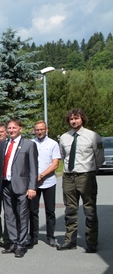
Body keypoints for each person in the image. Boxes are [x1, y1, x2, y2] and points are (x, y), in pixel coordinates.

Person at [0, 119, 38, 258]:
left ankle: (21, 244)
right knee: (9, 215)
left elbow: (34, 169)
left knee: (22, 216)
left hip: (22, 186)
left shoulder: (29, 145)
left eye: (14, 128)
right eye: (9, 128)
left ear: (20, 129)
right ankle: (14, 242)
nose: (11, 130)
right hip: (6, 185)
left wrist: (32, 187)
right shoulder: (4, 144)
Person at [57, 108, 104, 252]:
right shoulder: (64, 137)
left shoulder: (93, 136)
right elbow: (63, 155)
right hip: (69, 177)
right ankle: (69, 240)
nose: (73, 121)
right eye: (71, 119)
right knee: (70, 210)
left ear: (82, 119)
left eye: (76, 118)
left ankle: (91, 242)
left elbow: (99, 158)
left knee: (89, 210)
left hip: (86, 176)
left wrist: (90, 171)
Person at [30, 121, 61, 247]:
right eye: (37, 129)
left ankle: (51, 237)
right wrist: (34, 177)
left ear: (46, 129)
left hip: (49, 182)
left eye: (42, 129)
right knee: (32, 211)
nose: (39, 132)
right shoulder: (31, 143)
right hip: (33, 184)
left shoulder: (53, 144)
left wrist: (41, 175)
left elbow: (55, 164)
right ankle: (33, 237)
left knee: (50, 211)